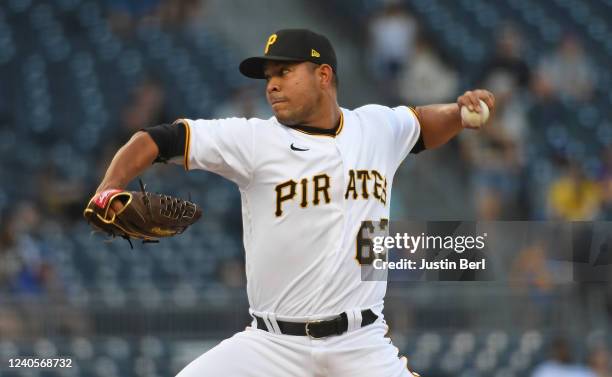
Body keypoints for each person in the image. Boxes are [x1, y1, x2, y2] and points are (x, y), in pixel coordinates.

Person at [91, 29, 495, 377]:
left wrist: (459, 114)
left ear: (323, 75)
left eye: (284, 72)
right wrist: (109, 187)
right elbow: (159, 139)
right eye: (268, 76)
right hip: (271, 348)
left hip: (361, 345)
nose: (271, 84)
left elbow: (423, 123)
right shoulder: (253, 140)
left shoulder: (376, 127)